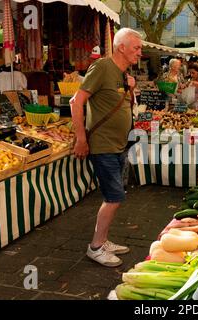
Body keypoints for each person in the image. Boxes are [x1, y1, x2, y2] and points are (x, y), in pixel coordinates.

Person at [70, 27, 142, 267]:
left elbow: (123, 104)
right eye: (136, 48)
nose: (140, 53)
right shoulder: (102, 67)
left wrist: (131, 88)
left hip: (118, 145)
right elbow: (76, 101)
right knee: (114, 197)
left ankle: (103, 240)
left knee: (115, 196)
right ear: (121, 47)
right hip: (103, 146)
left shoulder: (123, 73)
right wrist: (81, 138)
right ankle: (96, 247)